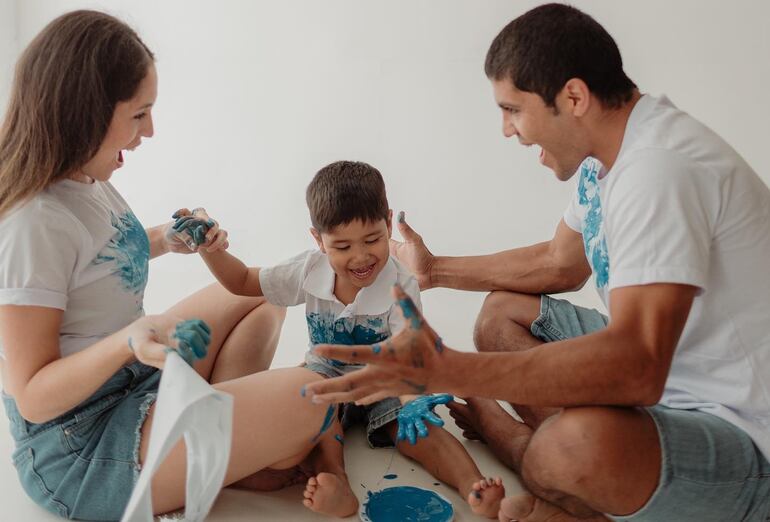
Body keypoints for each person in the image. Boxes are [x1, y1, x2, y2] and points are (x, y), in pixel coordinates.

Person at [304, 3, 770, 522]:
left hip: (743, 430)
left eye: (513, 109)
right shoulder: (613, 153)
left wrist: (454, 371)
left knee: (569, 450)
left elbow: (638, 370)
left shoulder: (658, 172)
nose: (507, 129)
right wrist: (431, 270)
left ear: (573, 97)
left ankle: (550, 473)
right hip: (669, 372)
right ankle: (565, 475)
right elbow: (559, 263)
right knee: (502, 314)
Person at [0, 10, 339, 521]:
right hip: (81, 448)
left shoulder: (88, 177)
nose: (151, 130)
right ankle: (229, 444)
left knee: (261, 293)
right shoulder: (33, 224)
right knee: (317, 399)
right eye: (139, 114)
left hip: (134, 378)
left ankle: (222, 443)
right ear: (87, 112)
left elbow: (99, 258)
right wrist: (130, 338)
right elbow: (32, 398)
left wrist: (169, 238)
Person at [191, 159, 506, 518]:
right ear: (318, 240)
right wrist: (210, 250)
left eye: (373, 239)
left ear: (388, 224)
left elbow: (410, 352)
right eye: (342, 247)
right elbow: (243, 282)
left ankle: (473, 485)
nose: (360, 257)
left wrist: (411, 400)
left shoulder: (399, 282)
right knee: (313, 422)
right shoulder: (308, 269)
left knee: (420, 427)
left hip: (384, 379)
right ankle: (337, 484)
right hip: (324, 375)